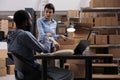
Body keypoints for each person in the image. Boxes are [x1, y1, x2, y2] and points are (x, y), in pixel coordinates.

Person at [8, 10, 73, 80]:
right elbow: (44, 50)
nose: (31, 23)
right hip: (33, 71)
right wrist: (47, 37)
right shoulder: (25, 34)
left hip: (22, 73)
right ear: (25, 22)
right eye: (30, 20)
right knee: (69, 73)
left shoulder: (11, 36)